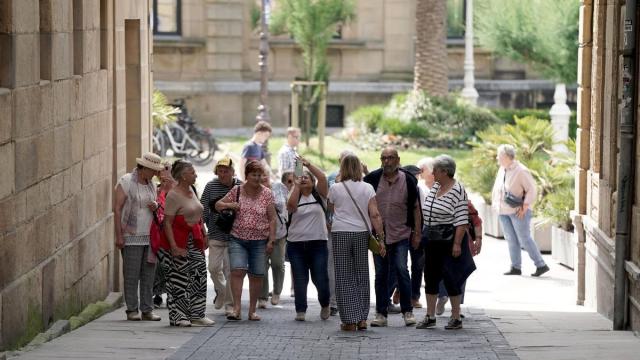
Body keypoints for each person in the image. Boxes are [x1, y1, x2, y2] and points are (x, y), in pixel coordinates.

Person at [327, 154, 385, 331]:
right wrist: (381, 238)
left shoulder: (335, 188)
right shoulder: (367, 188)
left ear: (342, 168)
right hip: (361, 233)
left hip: (341, 233)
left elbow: (331, 211)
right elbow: (374, 214)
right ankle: (361, 318)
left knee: (344, 276)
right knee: (362, 274)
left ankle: (349, 320)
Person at [364, 148, 421, 327]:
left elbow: (415, 208)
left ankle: (408, 311)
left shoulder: (409, 180)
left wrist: (417, 232)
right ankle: (381, 313)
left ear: (398, 159)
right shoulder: (372, 179)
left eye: (390, 158)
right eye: (384, 158)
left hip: (401, 234)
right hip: (379, 236)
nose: (387, 161)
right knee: (380, 274)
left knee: (402, 270)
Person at [416, 155, 474, 330]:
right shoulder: (436, 187)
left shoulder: (457, 190)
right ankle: (430, 316)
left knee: (451, 278)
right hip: (432, 239)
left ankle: (456, 317)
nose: (432, 173)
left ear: (446, 172)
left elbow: (462, 220)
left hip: (449, 240)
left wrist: (457, 244)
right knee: (430, 276)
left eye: (436, 170)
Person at [216, 160, 276, 321]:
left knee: (256, 275)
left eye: (259, 175)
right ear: (247, 175)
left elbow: (272, 219)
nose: (257, 178)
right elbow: (217, 205)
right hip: (238, 238)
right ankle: (236, 308)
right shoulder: (236, 190)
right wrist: (231, 205)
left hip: (259, 241)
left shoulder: (267, 193)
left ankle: (252, 310)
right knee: (237, 271)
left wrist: (271, 240)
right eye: (253, 175)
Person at [159, 159, 214, 327]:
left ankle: (197, 314)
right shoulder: (173, 195)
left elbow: (199, 214)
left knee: (199, 277)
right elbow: (167, 223)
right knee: (179, 279)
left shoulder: (192, 189)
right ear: (183, 176)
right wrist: (174, 247)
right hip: (178, 241)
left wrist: (204, 233)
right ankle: (179, 316)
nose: (196, 174)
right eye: (192, 172)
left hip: (195, 239)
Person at [114, 152, 164, 321]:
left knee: (149, 274)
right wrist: (119, 236)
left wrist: (155, 205)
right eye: (153, 170)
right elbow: (118, 208)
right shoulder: (127, 181)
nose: (155, 174)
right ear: (145, 168)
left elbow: (155, 205)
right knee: (131, 274)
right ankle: (132, 310)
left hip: (149, 235)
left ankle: (147, 309)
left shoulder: (151, 184)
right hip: (131, 236)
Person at [491, 144, 549, 277]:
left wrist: (525, 206)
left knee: (524, 239)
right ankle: (515, 267)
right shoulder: (502, 169)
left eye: (499, 155)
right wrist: (495, 205)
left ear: (506, 157)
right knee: (511, 239)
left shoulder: (521, 170)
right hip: (503, 211)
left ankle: (541, 265)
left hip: (518, 211)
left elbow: (532, 190)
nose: (497, 158)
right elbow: (498, 188)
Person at [286, 157, 331, 321]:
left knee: (320, 277)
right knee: (299, 278)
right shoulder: (294, 194)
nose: (304, 178)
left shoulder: (320, 195)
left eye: (307, 177)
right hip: (295, 245)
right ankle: (300, 310)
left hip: (318, 244)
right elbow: (291, 206)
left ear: (313, 182)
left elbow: (323, 178)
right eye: (301, 176)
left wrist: (308, 165)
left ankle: (325, 304)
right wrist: (296, 184)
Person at [200, 157, 242, 316]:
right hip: (215, 235)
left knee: (230, 271)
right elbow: (203, 209)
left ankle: (230, 305)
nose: (222, 174)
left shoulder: (240, 186)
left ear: (232, 171)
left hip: (234, 236)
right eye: (220, 171)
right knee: (213, 268)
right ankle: (222, 292)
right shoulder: (211, 186)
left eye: (225, 171)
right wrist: (202, 231)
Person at [436, 200, 483, 316]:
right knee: (461, 273)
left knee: (443, 270)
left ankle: (443, 296)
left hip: (444, 241)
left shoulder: (438, 201)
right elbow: (477, 221)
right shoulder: (465, 203)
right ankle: (456, 309)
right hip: (463, 243)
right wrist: (478, 239)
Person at [258, 171, 289, 308]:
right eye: (259, 175)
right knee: (262, 266)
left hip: (279, 232)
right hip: (261, 233)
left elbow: (284, 205)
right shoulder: (254, 190)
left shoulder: (279, 186)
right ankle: (262, 296)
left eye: (264, 174)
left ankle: (276, 292)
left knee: (277, 263)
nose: (263, 177)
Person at [151, 163, 177, 308]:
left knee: (170, 265)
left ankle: (171, 294)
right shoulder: (155, 188)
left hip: (173, 233)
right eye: (161, 171)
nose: (164, 173)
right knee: (159, 265)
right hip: (158, 232)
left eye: (167, 170)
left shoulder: (177, 188)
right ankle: (157, 293)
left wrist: (171, 181)